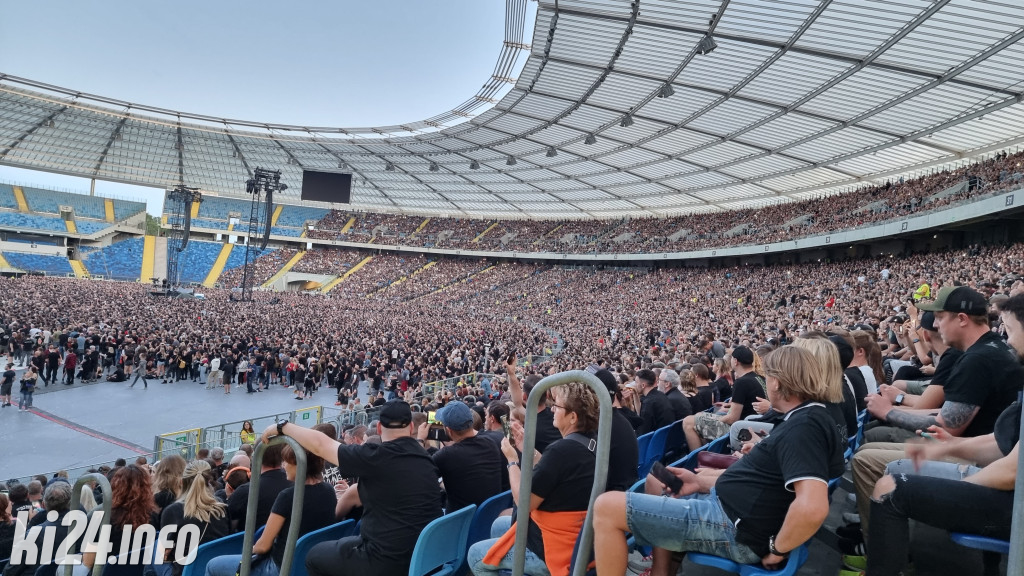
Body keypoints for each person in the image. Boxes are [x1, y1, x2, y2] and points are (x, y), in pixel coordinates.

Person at [591, 345, 845, 576]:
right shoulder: (807, 417)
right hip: (731, 509)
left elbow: (812, 506)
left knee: (606, 506)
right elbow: (768, 483)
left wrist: (776, 549)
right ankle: (662, 571)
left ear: (776, 382)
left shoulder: (805, 427)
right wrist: (700, 483)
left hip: (733, 527)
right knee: (658, 479)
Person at [262, 400, 442, 576]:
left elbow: (321, 445)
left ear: (379, 428)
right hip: (424, 554)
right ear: (411, 427)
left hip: (387, 562)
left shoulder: (375, 457)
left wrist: (282, 427)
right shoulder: (424, 456)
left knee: (314, 556)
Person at [468, 381, 600, 576]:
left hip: (556, 548)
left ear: (573, 417)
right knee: (499, 525)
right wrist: (525, 449)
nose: (552, 409)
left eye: (557, 406)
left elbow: (523, 502)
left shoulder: (561, 450)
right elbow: (552, 472)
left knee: (475, 556)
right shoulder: (591, 440)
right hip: (579, 537)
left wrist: (512, 461)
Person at [204, 438, 336, 576]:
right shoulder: (328, 490)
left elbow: (263, 546)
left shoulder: (288, 496)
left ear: (299, 465)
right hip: (309, 565)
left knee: (212, 565)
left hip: (280, 568)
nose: (284, 466)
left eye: (287, 462)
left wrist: (247, 552)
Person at [417, 400, 504, 512]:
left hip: (461, 521)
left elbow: (417, 473)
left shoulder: (446, 455)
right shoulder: (491, 443)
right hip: (488, 516)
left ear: (448, 430)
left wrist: (420, 440)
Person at [682, 346, 764, 449]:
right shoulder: (759, 378)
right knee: (699, 416)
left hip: (740, 429)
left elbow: (732, 418)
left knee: (688, 422)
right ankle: (706, 454)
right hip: (751, 425)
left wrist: (717, 418)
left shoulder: (741, 382)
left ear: (735, 361)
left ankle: (695, 460)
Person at [161, 460, 232, 576]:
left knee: (153, 557)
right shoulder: (221, 507)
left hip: (185, 571)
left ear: (182, 482)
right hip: (216, 570)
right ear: (209, 481)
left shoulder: (172, 511)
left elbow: (164, 554)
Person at [226, 443, 292, 532]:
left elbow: (227, 526)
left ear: (256, 456)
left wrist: (229, 498)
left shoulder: (246, 491)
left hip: (251, 543)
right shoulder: (296, 484)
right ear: (282, 456)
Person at [636, 369, 675, 435]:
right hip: (666, 436)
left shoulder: (648, 403)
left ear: (643, 385)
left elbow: (643, 431)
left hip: (655, 440)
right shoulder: (661, 395)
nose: (635, 385)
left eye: (636, 382)